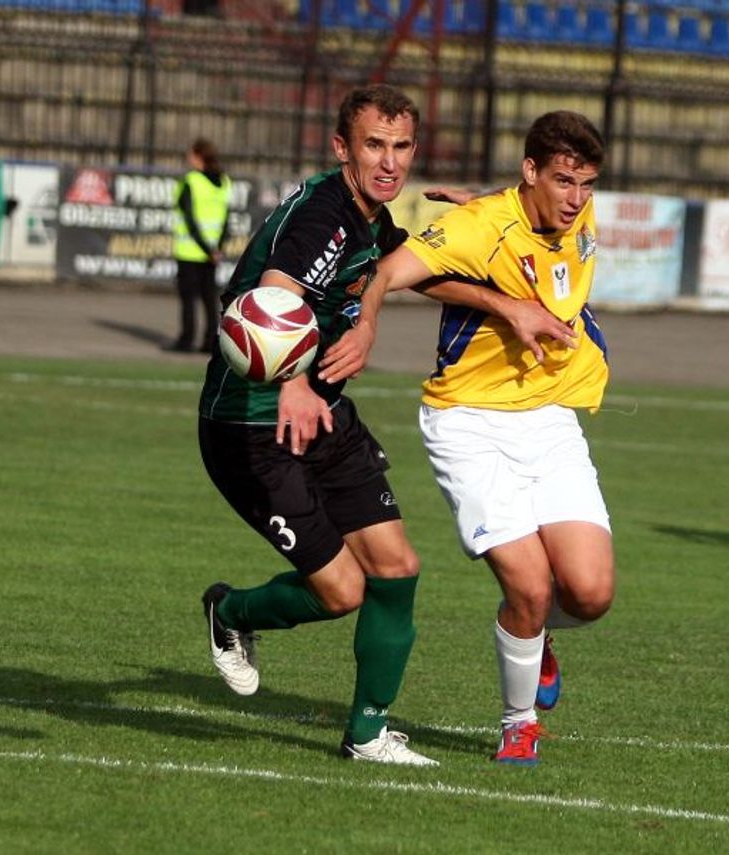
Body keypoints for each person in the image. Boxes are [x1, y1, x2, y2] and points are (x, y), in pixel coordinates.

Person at [321, 111, 615, 766]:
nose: (575, 199)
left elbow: (530, 222)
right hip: (469, 424)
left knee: (591, 593)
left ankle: (533, 638)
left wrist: (488, 206)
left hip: (549, 418)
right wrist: (366, 327)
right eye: (563, 180)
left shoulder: (573, 216)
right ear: (531, 170)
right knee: (531, 588)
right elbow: (385, 273)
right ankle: (518, 723)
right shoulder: (478, 229)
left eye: (587, 184)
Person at [195, 85, 438, 766]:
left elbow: (402, 270)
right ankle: (232, 611)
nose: (389, 161)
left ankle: (366, 734)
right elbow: (275, 295)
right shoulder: (323, 218)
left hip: (325, 415)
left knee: (398, 569)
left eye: (400, 147)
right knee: (342, 591)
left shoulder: (371, 216)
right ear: (342, 148)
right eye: (373, 145)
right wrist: (296, 381)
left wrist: (498, 294)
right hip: (251, 428)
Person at [168, 137, 230, 353]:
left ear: (198, 157)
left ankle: (187, 339)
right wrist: (217, 248)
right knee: (209, 298)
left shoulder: (191, 181)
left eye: (191, 154)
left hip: (190, 250)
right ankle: (210, 340)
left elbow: (189, 219)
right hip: (212, 251)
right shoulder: (223, 181)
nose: (188, 159)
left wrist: (206, 248)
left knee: (189, 298)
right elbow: (225, 219)